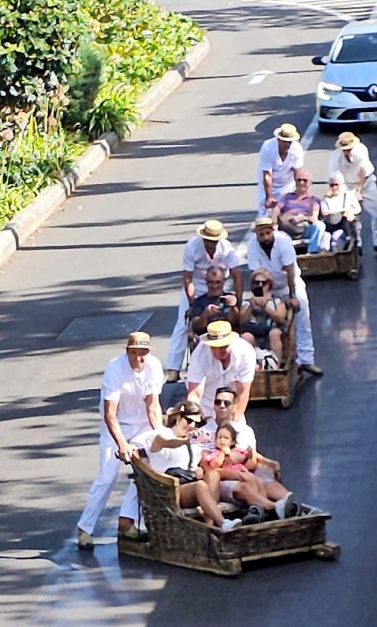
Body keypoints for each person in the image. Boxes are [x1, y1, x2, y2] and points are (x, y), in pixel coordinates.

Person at [76, 332, 163, 550]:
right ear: (127, 352)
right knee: (107, 478)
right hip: (116, 426)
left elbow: (153, 407)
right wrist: (122, 444)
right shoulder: (115, 369)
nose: (139, 359)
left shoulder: (154, 367)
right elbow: (110, 414)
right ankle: (85, 529)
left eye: (143, 353)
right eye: (135, 353)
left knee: (148, 472)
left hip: (142, 425)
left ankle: (126, 521)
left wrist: (160, 435)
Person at [201, 387, 300, 523]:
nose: (222, 406)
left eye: (227, 403)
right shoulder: (204, 432)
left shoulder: (244, 430)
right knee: (245, 483)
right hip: (220, 475)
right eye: (218, 402)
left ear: (235, 407)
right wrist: (231, 468)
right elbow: (205, 465)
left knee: (264, 478)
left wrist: (243, 464)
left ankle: (291, 505)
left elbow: (252, 460)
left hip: (244, 469)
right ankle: (271, 508)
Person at [145, 402, 242, 532]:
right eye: (189, 420)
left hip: (186, 483)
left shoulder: (192, 446)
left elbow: (193, 467)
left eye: (195, 423)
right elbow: (162, 442)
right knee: (199, 486)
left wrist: (198, 469)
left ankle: (210, 525)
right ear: (179, 417)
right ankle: (222, 522)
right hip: (166, 489)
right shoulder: (164, 434)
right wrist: (183, 441)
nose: (192, 426)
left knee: (212, 476)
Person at [166, 219, 243, 382]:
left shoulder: (226, 248)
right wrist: (193, 304)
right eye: (208, 241)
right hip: (198, 284)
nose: (211, 244)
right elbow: (187, 278)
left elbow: (237, 274)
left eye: (214, 241)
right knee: (183, 323)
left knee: (228, 320)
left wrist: (238, 299)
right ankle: (173, 368)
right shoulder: (192, 247)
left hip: (218, 283)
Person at [246, 217, 323, 377]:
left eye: (268, 233)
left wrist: (292, 296)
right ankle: (279, 359)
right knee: (269, 321)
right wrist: (261, 295)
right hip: (267, 284)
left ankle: (307, 360)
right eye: (262, 234)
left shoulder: (283, 241)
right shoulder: (252, 245)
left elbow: (290, 270)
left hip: (289, 284)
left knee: (302, 316)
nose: (265, 237)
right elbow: (255, 273)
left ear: (272, 231)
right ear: (257, 234)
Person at [328, 131, 377, 255]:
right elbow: (334, 176)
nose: (347, 151)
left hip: (367, 183)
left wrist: (359, 190)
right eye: (344, 149)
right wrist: (336, 193)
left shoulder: (361, 150)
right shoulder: (335, 157)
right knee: (351, 216)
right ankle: (357, 244)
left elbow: (362, 171)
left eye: (349, 149)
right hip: (347, 185)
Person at [186, 320, 256, 420]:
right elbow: (194, 394)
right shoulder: (199, 354)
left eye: (223, 347)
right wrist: (193, 419)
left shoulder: (246, 353)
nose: (219, 351)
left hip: (231, 407)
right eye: (214, 347)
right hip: (205, 406)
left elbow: (243, 392)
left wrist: (235, 420)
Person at [239, 268, 287, 366]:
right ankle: (248, 367)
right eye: (256, 283)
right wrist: (251, 306)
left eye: (263, 283)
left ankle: (275, 367)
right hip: (253, 332)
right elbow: (242, 321)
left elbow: (281, 318)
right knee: (245, 337)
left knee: (275, 334)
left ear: (269, 284)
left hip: (270, 331)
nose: (260, 286)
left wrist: (265, 307)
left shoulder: (276, 301)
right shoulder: (247, 301)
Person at [271, 168, 325, 253]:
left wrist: (302, 218)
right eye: (299, 180)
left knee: (320, 225)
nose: (301, 183)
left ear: (310, 183)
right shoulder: (287, 197)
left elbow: (314, 218)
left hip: (305, 227)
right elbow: (276, 209)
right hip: (288, 227)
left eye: (305, 180)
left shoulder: (314, 200)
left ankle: (312, 253)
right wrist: (273, 223)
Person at [257, 123, 304, 216]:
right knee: (266, 216)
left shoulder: (297, 148)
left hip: (287, 185)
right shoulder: (268, 147)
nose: (288, 144)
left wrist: (299, 192)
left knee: (288, 214)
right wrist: (269, 197)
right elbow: (267, 174)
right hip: (269, 186)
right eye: (285, 141)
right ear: (278, 139)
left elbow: (297, 173)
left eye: (290, 141)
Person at [189, 266, 239, 336]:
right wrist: (205, 315)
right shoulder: (199, 302)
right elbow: (197, 327)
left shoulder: (231, 299)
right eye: (211, 282)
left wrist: (233, 308)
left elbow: (237, 323)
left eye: (218, 282)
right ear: (206, 282)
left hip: (229, 336)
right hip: (208, 338)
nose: (214, 286)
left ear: (223, 281)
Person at [320, 170, 362, 252]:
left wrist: (351, 212)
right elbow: (324, 211)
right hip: (331, 225)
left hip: (346, 225)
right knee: (325, 237)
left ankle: (339, 251)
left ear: (342, 184)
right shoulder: (325, 199)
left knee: (337, 237)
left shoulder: (349, 196)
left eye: (336, 185)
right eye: (332, 185)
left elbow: (358, 209)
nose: (334, 187)